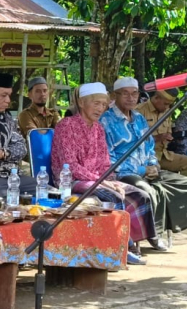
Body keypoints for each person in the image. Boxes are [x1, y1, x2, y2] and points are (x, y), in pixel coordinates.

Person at [51, 82, 156, 265]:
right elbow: (71, 166)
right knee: (112, 196)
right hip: (72, 180)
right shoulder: (66, 126)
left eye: (103, 104)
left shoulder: (98, 128)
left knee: (140, 195)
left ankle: (133, 243)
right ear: (82, 103)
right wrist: (102, 182)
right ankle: (121, 246)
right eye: (95, 103)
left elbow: (104, 162)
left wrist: (110, 180)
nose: (100, 109)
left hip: (97, 179)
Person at [101, 78, 187, 252]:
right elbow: (109, 159)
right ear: (115, 95)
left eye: (134, 93)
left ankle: (170, 225)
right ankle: (153, 234)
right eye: (125, 93)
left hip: (148, 169)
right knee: (147, 192)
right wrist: (142, 170)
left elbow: (149, 146)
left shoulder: (139, 118)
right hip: (124, 173)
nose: (131, 98)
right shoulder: (106, 121)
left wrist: (153, 165)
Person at [136, 90, 187, 178]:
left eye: (169, 104)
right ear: (156, 98)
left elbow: (168, 131)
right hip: (145, 157)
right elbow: (134, 141)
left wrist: (169, 137)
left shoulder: (166, 111)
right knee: (154, 176)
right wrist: (157, 138)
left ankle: (182, 190)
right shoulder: (139, 111)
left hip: (163, 155)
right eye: (165, 104)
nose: (167, 107)